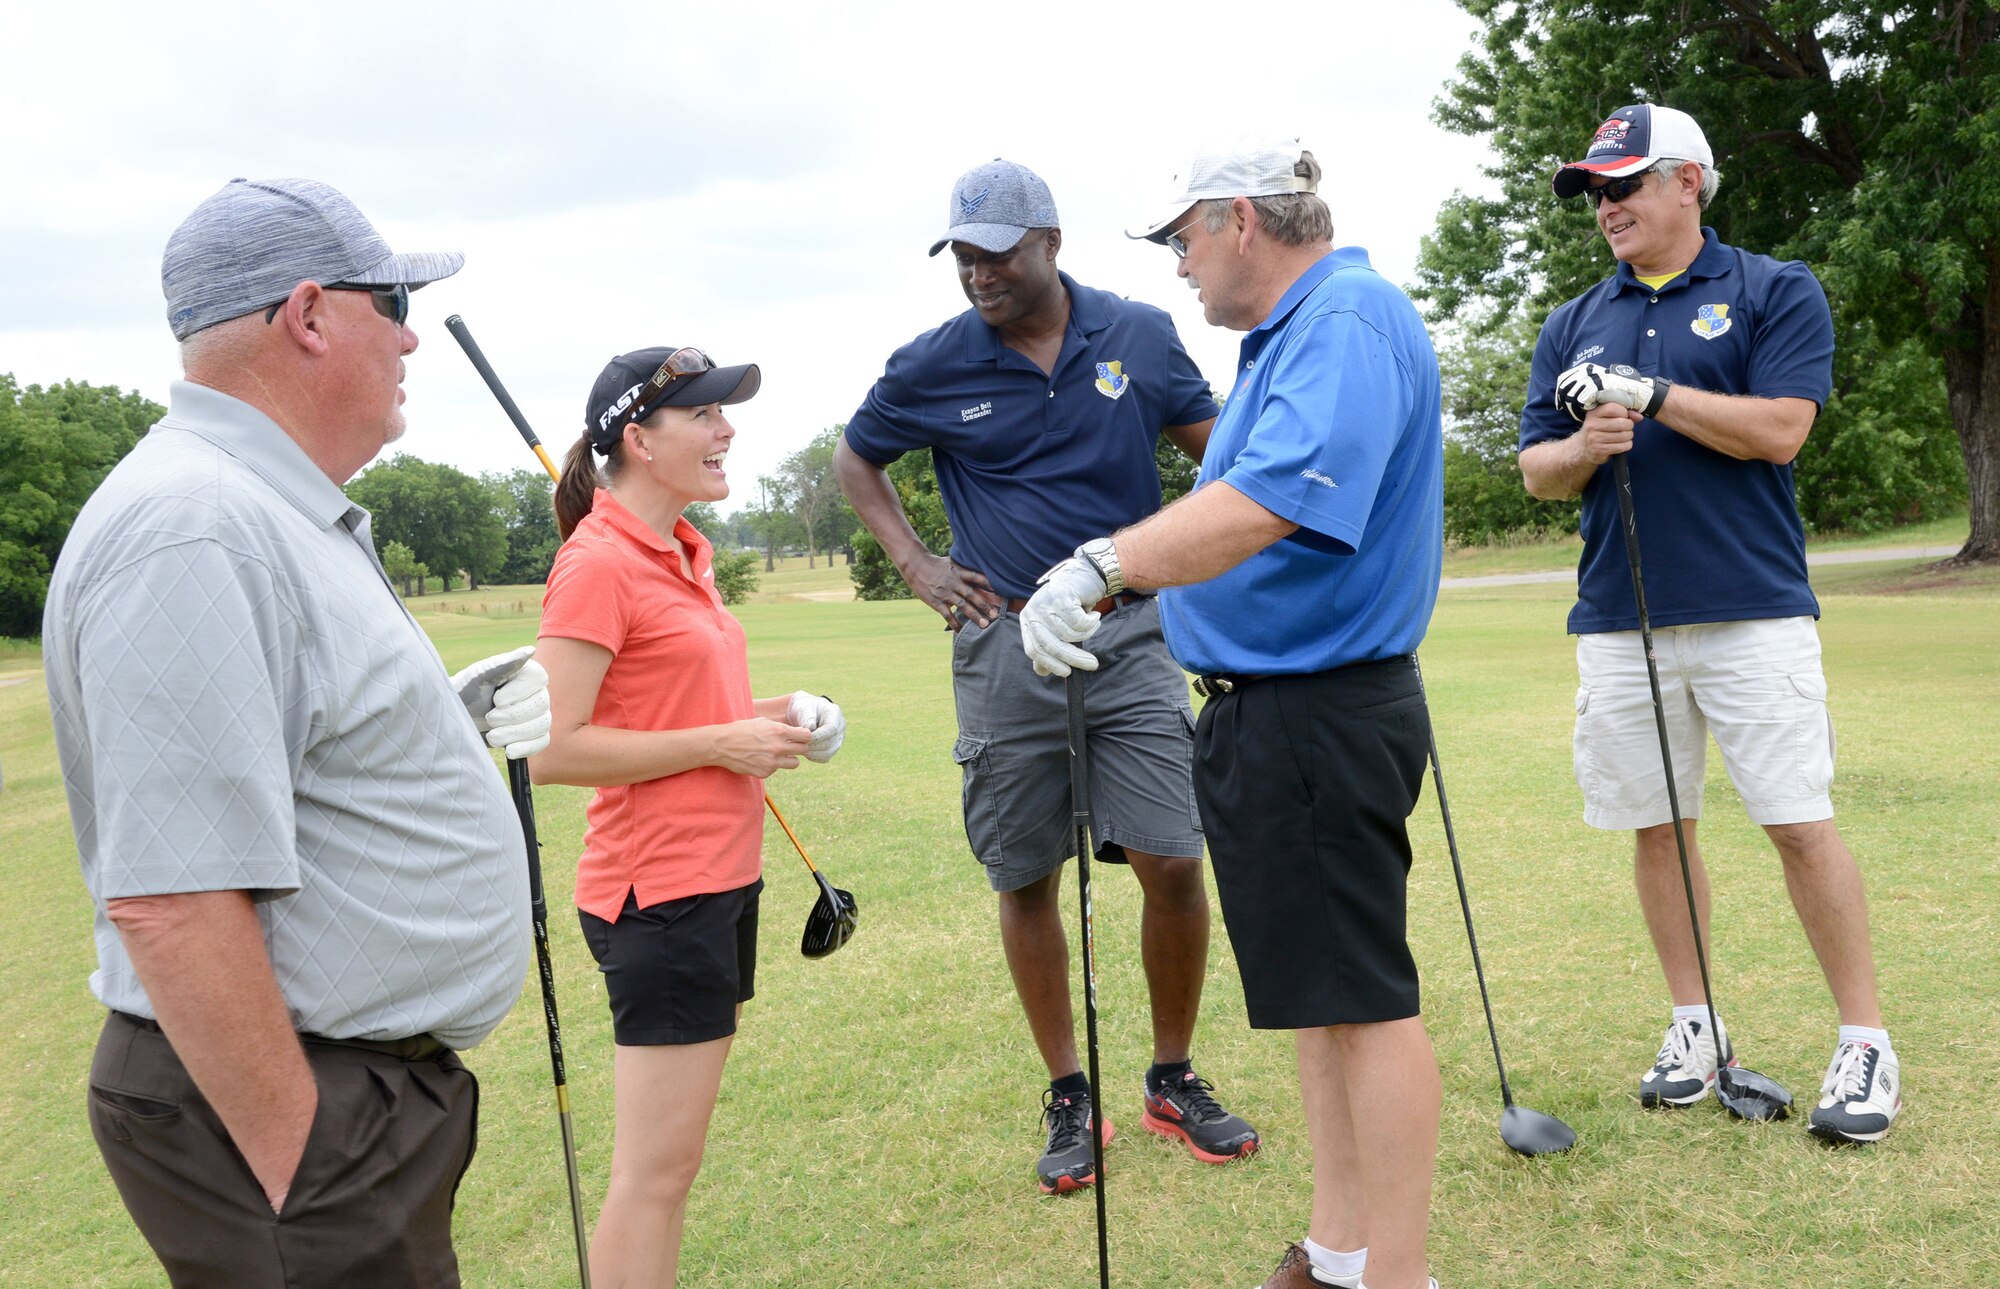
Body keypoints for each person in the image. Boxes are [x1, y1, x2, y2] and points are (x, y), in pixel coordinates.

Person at [43, 177, 552, 1287]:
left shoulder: (260, 506)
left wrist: (439, 733)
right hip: (289, 1115)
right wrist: (303, 1159)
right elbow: (172, 898)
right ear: (311, 315)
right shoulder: (197, 524)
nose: (413, 336)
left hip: (342, 1097)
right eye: (394, 302)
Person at [1023, 138, 1447, 1289]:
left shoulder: (1343, 319)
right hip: (1272, 713)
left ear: (1240, 220)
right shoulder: (1291, 336)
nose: (1176, 267)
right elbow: (1232, 498)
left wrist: (1099, 565)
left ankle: (1393, 1274)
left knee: (1362, 1002)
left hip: (1319, 706)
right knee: (1324, 1004)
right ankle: (1338, 1248)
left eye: (1180, 238)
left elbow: (1263, 503)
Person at [835, 157, 1260, 1195]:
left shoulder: (1137, 334)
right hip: (1000, 644)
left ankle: (1168, 1073)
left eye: (996, 253)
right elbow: (858, 458)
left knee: (1170, 856)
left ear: (1049, 245)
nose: (977, 273)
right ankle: (1070, 1089)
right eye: (963, 256)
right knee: (1024, 874)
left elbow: (1218, 453)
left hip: (1129, 632)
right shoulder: (928, 363)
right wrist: (916, 562)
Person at [1516, 104, 1900, 1143]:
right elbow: (1536, 471)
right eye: (1594, 192)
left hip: (1749, 610)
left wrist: (1651, 392)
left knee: (1794, 819)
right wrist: (1589, 442)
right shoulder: (1571, 318)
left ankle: (1863, 1039)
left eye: (1623, 184)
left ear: (1687, 181)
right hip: (1617, 614)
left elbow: (1778, 431)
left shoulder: (1772, 288)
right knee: (1656, 824)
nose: (1605, 207)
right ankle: (1694, 1023)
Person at [530, 345, 847, 1285]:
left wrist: (775, 721)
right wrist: (719, 745)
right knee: (654, 1175)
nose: (727, 429)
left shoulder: (684, 552)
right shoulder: (597, 563)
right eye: (705, 414)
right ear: (639, 439)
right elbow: (553, 748)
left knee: (673, 1167)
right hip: (657, 895)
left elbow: (672, 715)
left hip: (715, 882)